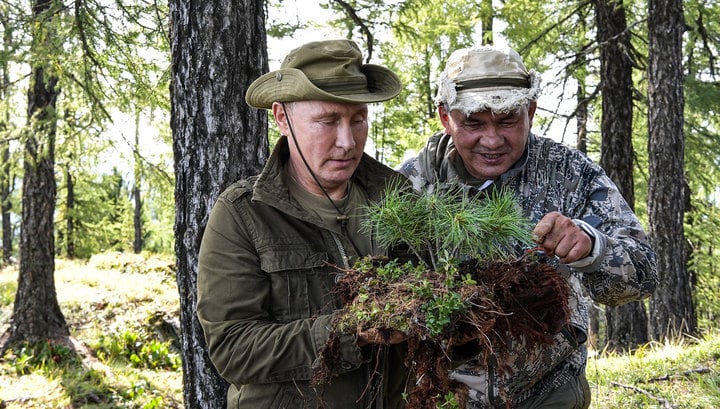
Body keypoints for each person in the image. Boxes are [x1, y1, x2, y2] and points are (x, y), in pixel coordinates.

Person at [398, 45, 658, 408]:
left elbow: (644, 274)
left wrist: (591, 248)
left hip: (547, 391)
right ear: (445, 118)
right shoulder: (412, 185)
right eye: (473, 122)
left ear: (531, 112)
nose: (492, 140)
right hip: (442, 395)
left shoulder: (569, 174)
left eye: (507, 120)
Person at [196, 39, 410, 409]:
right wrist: (348, 332)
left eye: (358, 119)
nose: (347, 141)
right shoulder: (244, 213)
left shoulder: (397, 197)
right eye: (328, 121)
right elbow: (233, 348)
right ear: (282, 117)